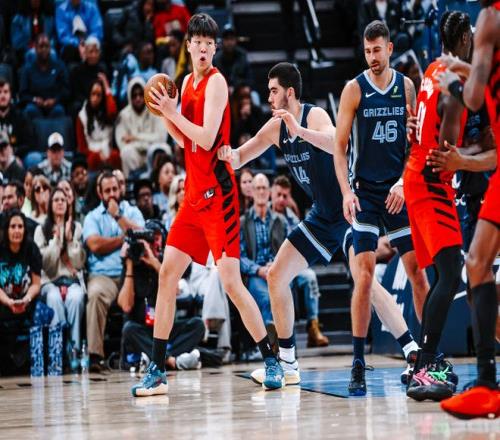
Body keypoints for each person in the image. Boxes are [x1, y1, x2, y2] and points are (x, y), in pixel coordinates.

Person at [218, 62, 420, 394]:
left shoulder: (314, 116)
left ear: (289, 92)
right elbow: (240, 158)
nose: (268, 97)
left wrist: (299, 130)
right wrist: (225, 152)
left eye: (273, 91)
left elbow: (336, 142)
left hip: (348, 207)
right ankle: (288, 363)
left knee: (365, 282)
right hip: (322, 217)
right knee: (276, 275)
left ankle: (412, 350)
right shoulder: (274, 128)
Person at [131, 14, 281, 397]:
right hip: (194, 197)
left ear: (214, 49)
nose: (202, 48)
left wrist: (172, 113)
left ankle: (271, 360)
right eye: (196, 42)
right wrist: (165, 114)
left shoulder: (216, 83)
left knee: (231, 282)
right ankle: (157, 370)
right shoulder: (184, 83)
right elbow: (184, 140)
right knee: (167, 274)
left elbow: (208, 136)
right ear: (188, 46)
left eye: (208, 43)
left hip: (220, 197)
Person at [332, 21, 429, 393]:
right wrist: (346, 192)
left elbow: (417, 143)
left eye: (377, 50)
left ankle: (428, 355)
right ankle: (358, 361)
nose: (372, 57)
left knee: (417, 273)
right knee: (365, 275)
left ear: (390, 48)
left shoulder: (407, 87)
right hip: (365, 194)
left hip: (397, 191)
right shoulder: (353, 89)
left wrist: (404, 181)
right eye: (367, 51)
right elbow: (339, 149)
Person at [401, 11, 472, 401]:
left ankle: (421, 363)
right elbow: (447, 149)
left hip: (415, 173)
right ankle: (426, 364)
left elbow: (420, 121)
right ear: (463, 38)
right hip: (431, 179)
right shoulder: (455, 84)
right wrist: (467, 154)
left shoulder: (432, 68)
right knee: (450, 274)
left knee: (443, 274)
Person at [435, 1, 500, 419]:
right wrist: (462, 69)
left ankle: (487, 383)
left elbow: (474, 98)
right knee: (477, 264)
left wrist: (453, 84)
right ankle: (486, 384)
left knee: (476, 265)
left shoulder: (490, 18)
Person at [118, 219, 205, 371]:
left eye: (157, 238)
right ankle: (171, 360)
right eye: (151, 240)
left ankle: (155, 359)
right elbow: (126, 306)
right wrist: (130, 265)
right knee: (129, 329)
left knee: (198, 325)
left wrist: (154, 262)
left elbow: (176, 290)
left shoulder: (164, 263)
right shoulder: (133, 263)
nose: (154, 244)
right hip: (142, 329)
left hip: (165, 329)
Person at [82, 170, 145, 372]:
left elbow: (143, 236)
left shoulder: (132, 211)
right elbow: (94, 244)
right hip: (104, 276)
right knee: (95, 294)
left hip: (131, 273)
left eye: (114, 189)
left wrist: (118, 216)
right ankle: (95, 356)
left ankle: (146, 353)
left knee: (148, 292)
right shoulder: (92, 217)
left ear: (120, 189)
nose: (112, 194)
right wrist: (123, 239)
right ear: (100, 193)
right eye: (107, 190)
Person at [34, 187, 86, 352]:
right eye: (56, 200)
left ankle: (74, 350)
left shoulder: (77, 228)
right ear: (50, 204)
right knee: (54, 298)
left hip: (71, 281)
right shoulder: (41, 230)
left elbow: (78, 264)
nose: (60, 203)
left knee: (76, 298)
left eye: (63, 200)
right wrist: (56, 240)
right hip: (50, 282)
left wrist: (70, 241)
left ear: (68, 204)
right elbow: (46, 266)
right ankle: (59, 350)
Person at [0, 209, 41, 372]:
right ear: (6, 229)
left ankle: (37, 361)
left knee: (45, 311)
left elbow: (36, 284)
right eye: (13, 226)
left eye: (20, 226)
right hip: (3, 302)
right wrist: (8, 301)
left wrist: (26, 299)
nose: (17, 230)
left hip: (27, 302)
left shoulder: (31, 248)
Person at [115, 76, 168, 177]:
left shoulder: (156, 110)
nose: (138, 98)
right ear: (130, 97)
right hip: (136, 155)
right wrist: (146, 143)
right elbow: (122, 143)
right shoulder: (123, 115)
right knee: (126, 152)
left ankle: (158, 181)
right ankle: (132, 181)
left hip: (153, 153)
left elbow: (162, 138)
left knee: (162, 149)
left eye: (140, 94)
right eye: (134, 95)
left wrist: (135, 137)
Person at [19, 33, 69, 119]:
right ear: (35, 48)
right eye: (41, 46)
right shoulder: (28, 68)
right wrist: (34, 99)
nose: (44, 49)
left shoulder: (59, 66)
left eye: (47, 46)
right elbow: (23, 94)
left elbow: (66, 90)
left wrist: (55, 100)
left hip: (54, 104)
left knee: (59, 111)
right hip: (34, 105)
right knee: (29, 110)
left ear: (50, 48)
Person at [76, 78, 121, 172]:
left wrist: (107, 87)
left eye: (99, 95)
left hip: (107, 151)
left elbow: (112, 112)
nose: (95, 98)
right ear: (89, 95)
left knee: (115, 156)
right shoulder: (81, 116)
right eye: (93, 94)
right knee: (94, 159)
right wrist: (97, 155)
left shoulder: (107, 113)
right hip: (92, 154)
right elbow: (82, 148)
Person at [69, 36, 108, 118]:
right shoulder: (77, 70)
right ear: (86, 53)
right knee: (75, 106)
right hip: (83, 102)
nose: (94, 55)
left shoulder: (103, 70)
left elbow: (105, 92)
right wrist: (90, 102)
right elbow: (76, 93)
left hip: (99, 101)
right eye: (91, 52)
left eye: (96, 52)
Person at [0, 78, 36, 165]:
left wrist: (14, 152)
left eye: (5, 92)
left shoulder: (21, 116)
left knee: (34, 158)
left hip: (17, 155)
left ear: (10, 95)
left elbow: (30, 143)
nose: (2, 96)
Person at [213, 24, 253, 92]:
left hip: (240, 90)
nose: (229, 42)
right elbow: (213, 81)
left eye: (231, 39)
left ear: (236, 40)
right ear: (222, 41)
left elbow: (250, 80)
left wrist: (236, 86)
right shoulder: (216, 59)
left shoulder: (242, 55)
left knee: (254, 95)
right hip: (222, 91)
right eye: (226, 39)